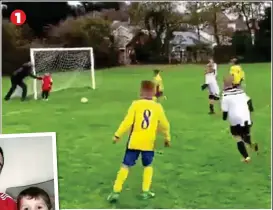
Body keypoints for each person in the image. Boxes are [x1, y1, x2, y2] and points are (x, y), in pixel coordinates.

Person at [107, 80, 171, 202]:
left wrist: (117, 135)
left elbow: (127, 122)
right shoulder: (157, 107)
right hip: (149, 143)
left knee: (125, 165)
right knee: (148, 165)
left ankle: (116, 191)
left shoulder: (136, 104)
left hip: (134, 142)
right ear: (153, 93)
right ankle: (145, 191)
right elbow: (165, 124)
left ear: (141, 92)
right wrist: (167, 138)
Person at [221, 75, 258, 163]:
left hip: (235, 120)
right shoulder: (241, 92)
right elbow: (249, 101)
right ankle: (251, 144)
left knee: (238, 138)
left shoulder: (225, 96)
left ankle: (246, 157)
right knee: (245, 134)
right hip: (246, 118)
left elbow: (225, 112)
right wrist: (250, 110)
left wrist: (224, 118)